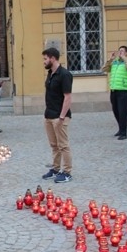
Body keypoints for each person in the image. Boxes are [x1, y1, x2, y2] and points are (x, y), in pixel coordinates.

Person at [41, 47, 73, 183]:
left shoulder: (65, 74)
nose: (43, 61)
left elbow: (67, 97)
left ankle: (67, 172)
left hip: (60, 116)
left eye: (45, 59)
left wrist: (61, 117)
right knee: (54, 145)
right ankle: (55, 169)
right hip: (49, 114)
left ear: (52, 58)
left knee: (63, 145)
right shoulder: (50, 73)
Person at [102, 45, 127, 140]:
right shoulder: (115, 63)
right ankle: (120, 128)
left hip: (123, 90)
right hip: (114, 89)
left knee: (122, 111)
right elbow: (104, 69)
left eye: (123, 51)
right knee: (115, 110)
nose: (120, 52)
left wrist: (124, 58)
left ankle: (124, 133)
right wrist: (110, 59)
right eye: (119, 51)